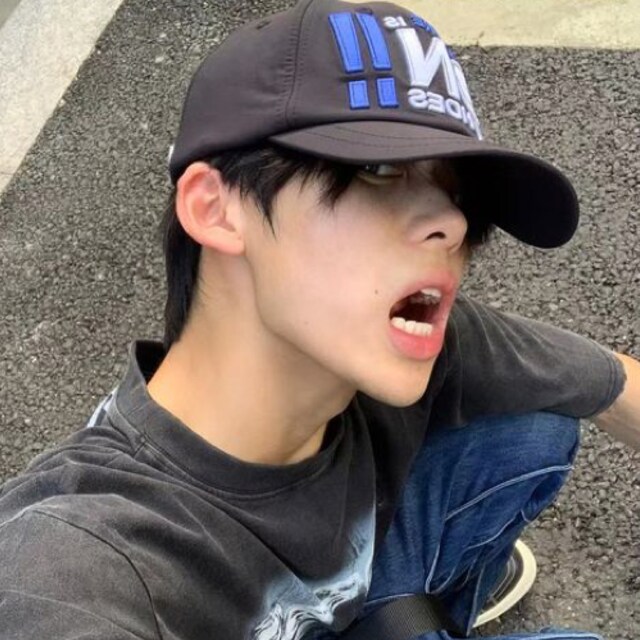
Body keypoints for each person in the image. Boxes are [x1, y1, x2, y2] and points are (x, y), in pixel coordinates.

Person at [0, 0, 638, 638]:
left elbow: (610, 382)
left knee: (532, 425)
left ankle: (420, 603)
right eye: (377, 169)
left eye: (459, 192)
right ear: (216, 209)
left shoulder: (398, 340)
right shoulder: (77, 565)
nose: (454, 222)